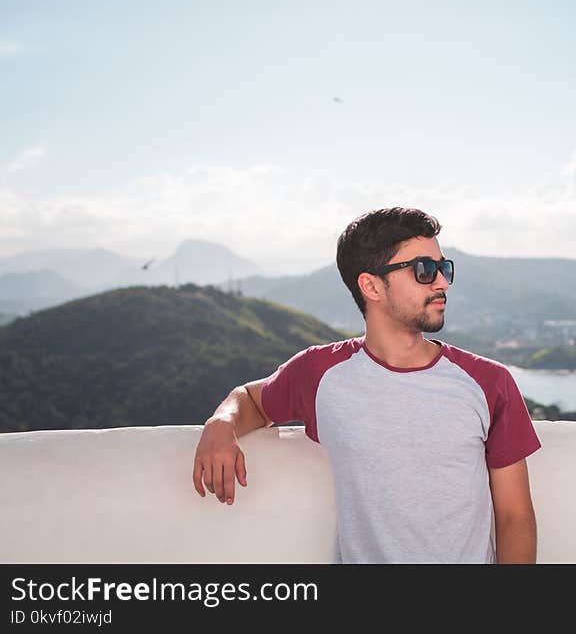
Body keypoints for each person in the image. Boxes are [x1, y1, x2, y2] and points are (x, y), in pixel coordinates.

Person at [192, 206, 542, 563]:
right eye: (424, 270)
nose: (442, 282)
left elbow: (516, 517)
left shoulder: (489, 382)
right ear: (371, 285)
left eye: (443, 267)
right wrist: (221, 423)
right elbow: (252, 400)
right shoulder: (319, 372)